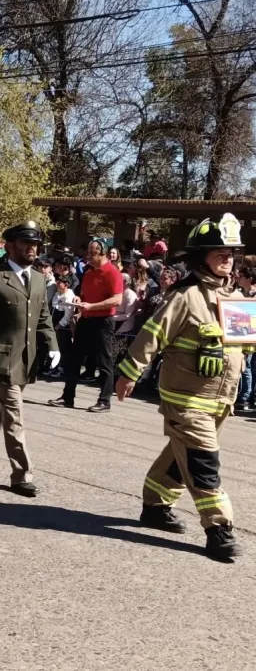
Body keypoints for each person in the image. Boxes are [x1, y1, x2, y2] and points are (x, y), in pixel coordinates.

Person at [116, 213, 247, 559]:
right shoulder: (185, 296)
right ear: (200, 256)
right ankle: (219, 529)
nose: (228, 259)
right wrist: (129, 372)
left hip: (221, 400)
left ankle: (155, 506)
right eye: (220, 252)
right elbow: (152, 334)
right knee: (204, 463)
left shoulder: (234, 297)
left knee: (181, 455)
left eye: (231, 253)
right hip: (187, 400)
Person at [0, 221, 59, 495]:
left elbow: (43, 317)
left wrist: (52, 344)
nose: (32, 248)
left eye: (35, 244)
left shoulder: (39, 279)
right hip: (1, 360)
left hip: (26, 360)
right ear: (10, 246)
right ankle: (21, 475)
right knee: (14, 417)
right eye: (26, 243)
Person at [48, 238, 123, 413]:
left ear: (103, 253)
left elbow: (117, 299)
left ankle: (104, 401)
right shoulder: (89, 273)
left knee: (104, 361)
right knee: (73, 359)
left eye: (92, 253)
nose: (87, 256)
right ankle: (67, 397)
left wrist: (92, 306)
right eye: (88, 252)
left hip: (103, 321)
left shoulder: (112, 272)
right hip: (86, 319)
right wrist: (79, 300)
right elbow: (84, 296)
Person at [235, 266, 256, 411]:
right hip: (244, 332)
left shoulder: (253, 295)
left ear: (249, 279)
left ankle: (245, 398)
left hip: (252, 334)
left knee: (247, 366)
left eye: (241, 276)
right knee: (249, 366)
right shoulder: (243, 293)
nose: (238, 278)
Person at [50, 274, 76, 376]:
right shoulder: (57, 294)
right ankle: (54, 367)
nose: (57, 284)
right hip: (54, 322)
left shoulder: (69, 296)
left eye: (60, 282)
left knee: (64, 348)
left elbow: (68, 315)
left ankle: (63, 369)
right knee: (56, 348)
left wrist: (59, 325)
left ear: (66, 285)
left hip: (64, 327)